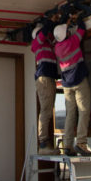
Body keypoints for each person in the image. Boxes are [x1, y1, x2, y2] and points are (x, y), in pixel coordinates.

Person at [53, 9, 91, 157]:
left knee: (70, 114)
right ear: (67, 34)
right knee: (83, 110)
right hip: (79, 80)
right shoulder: (73, 41)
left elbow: (63, 34)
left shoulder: (57, 47)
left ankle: (68, 145)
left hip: (67, 84)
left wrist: (67, 23)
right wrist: (77, 17)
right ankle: (81, 142)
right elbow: (82, 28)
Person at [31, 15, 59, 154]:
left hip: (49, 78)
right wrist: (50, 22)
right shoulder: (37, 42)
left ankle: (45, 143)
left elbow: (57, 36)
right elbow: (44, 33)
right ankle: (43, 144)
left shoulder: (47, 43)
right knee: (46, 110)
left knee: (48, 109)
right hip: (44, 79)